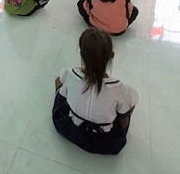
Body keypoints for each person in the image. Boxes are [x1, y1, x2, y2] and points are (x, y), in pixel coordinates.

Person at [52, 27, 139, 155]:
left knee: (59, 81)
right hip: (105, 143)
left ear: (82, 55)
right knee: (131, 98)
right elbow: (124, 123)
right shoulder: (118, 88)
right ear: (111, 56)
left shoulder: (71, 74)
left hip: (69, 129)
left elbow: (59, 82)